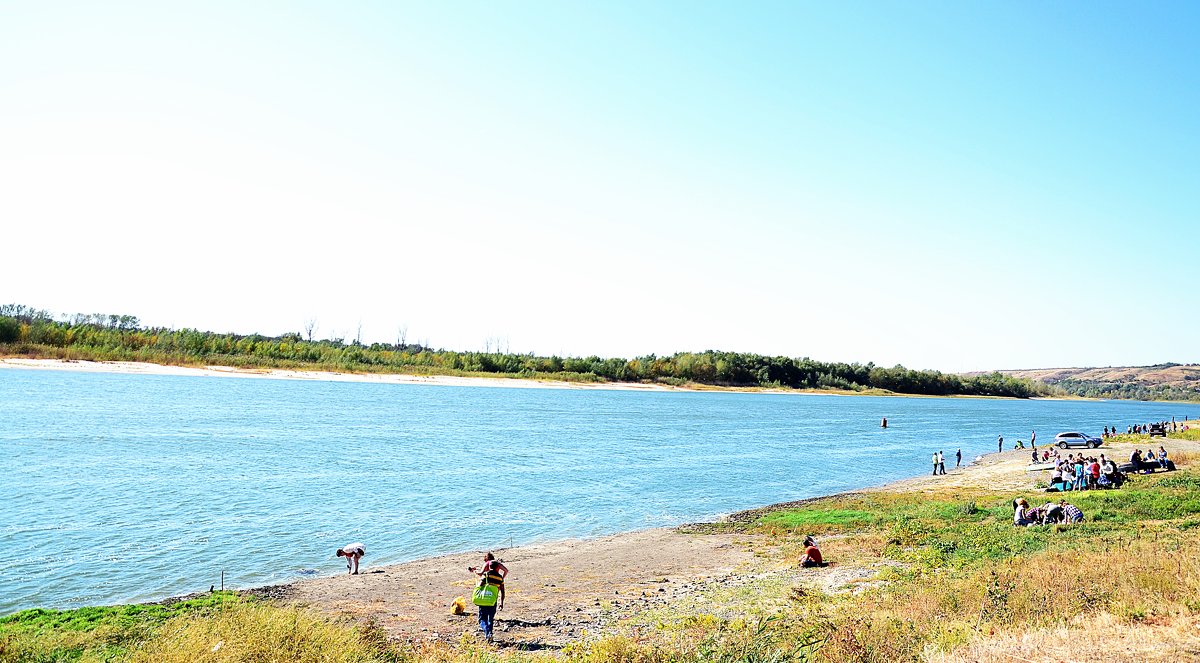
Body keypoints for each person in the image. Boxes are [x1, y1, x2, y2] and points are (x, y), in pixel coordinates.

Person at [469, 553, 508, 642]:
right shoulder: (500, 578)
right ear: (497, 567)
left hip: (484, 599)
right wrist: (501, 603)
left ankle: (487, 633)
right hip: (493, 600)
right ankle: (489, 635)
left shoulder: (486, 574)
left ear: (489, 565)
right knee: (490, 618)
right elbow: (502, 591)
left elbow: (480, 585)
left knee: (482, 619)